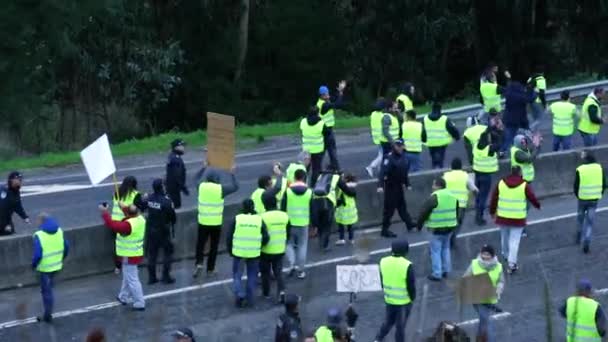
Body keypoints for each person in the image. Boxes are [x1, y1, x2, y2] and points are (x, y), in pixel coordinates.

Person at [489, 166, 540, 274]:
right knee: (514, 241)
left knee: (504, 237)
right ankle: (512, 264)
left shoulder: (501, 183)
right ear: (520, 173)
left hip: (503, 216)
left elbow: (494, 198)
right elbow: (532, 197)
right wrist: (537, 205)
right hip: (518, 218)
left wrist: (492, 212)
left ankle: (505, 254)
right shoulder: (524, 185)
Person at [193, 165, 239, 278]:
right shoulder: (221, 189)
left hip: (203, 221)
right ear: (217, 180)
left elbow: (195, 178)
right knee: (214, 246)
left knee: (200, 244)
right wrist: (232, 174)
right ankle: (210, 269)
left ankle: (199, 263)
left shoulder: (201, 187)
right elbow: (235, 187)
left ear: (207, 179)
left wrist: (203, 168)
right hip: (216, 223)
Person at [100, 203, 146, 311]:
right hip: (135, 253)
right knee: (128, 276)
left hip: (128, 254)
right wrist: (123, 206)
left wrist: (105, 212)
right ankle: (123, 296)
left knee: (132, 279)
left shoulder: (127, 225)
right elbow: (129, 211)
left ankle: (139, 302)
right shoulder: (140, 219)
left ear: (129, 214)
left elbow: (112, 225)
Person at [226, 199, 269, 308]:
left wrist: (230, 250)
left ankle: (240, 295)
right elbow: (266, 237)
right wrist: (259, 245)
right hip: (253, 253)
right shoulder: (259, 220)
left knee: (237, 275)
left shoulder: (237, 219)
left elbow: (229, 236)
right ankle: (250, 298)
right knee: (252, 276)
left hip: (239, 252)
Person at [417, 177, 459, 281]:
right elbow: (457, 211)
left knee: (435, 251)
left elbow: (424, 212)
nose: (432, 187)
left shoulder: (434, 197)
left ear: (438, 186)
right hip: (450, 227)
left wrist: (419, 225)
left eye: (434, 185)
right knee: (446, 248)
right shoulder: (453, 196)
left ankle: (437, 273)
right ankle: (446, 270)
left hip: (436, 229)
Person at [373, 240, 416, 342]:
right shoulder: (407, 265)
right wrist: (412, 297)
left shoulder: (383, 261)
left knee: (388, 322)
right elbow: (411, 285)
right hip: (403, 302)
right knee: (400, 327)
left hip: (389, 299)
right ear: (406, 251)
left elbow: (381, 278)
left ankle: (378, 339)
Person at [462, 244, 504, 342]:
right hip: (477, 298)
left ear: (492, 255)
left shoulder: (498, 267)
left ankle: (480, 338)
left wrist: (499, 289)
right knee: (487, 321)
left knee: (484, 320)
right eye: (483, 254)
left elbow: (501, 281)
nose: (485, 256)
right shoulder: (475, 264)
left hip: (491, 298)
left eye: (487, 254)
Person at [32, 213, 69, 323]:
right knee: (49, 288)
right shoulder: (59, 231)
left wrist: (33, 265)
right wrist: (61, 258)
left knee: (47, 292)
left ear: (41, 222)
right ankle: (47, 311)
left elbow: (38, 254)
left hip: (45, 268)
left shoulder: (39, 235)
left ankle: (47, 316)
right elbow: (66, 246)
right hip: (57, 265)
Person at [377, 139, 416, 238]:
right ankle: (384, 230)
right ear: (394, 147)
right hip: (391, 187)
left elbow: (404, 173)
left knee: (402, 207)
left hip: (399, 186)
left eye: (400, 146)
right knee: (389, 210)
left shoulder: (404, 157)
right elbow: (382, 172)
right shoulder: (389, 158)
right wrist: (380, 186)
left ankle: (409, 224)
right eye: (397, 146)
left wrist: (407, 184)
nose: (399, 148)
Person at [312, 169, 355, 252]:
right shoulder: (336, 177)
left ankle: (320, 242)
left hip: (316, 202)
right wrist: (353, 193)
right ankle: (324, 246)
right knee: (327, 225)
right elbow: (346, 189)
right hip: (327, 203)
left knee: (320, 225)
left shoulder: (320, 176)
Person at [143, 178, 176, 285]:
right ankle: (165, 276)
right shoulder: (166, 201)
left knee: (152, 254)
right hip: (163, 231)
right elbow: (172, 217)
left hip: (151, 230)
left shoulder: (149, 199)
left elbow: (142, 206)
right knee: (168, 253)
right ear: (162, 187)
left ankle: (152, 278)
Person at [574, 150, 606, 254]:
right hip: (594, 199)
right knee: (590, 223)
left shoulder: (580, 169)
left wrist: (578, 195)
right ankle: (587, 239)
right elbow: (604, 183)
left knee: (580, 218)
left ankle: (578, 236)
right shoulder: (599, 168)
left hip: (582, 199)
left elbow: (576, 186)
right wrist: (599, 193)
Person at [282, 169, 312, 279]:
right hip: (304, 223)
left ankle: (291, 264)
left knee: (288, 244)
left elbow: (282, 208)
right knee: (302, 246)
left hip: (290, 223)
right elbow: (312, 209)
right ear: (304, 178)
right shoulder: (309, 191)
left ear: (295, 177)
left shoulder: (288, 191)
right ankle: (301, 270)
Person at [260, 193, 289, 302]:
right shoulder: (284, 215)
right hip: (280, 248)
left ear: (264, 204)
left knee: (265, 273)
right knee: (278, 272)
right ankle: (281, 291)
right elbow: (288, 232)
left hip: (266, 250)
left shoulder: (262, 217)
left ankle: (266, 293)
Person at [111, 176, 143, 274]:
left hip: (115, 222)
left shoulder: (116, 192)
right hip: (126, 223)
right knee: (129, 246)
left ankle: (117, 267)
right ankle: (131, 265)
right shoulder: (135, 194)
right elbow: (138, 208)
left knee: (117, 246)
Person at [443, 158, 478, 248]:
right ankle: (452, 238)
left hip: (447, 204)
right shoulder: (465, 176)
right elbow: (474, 189)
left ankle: (447, 238)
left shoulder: (446, 176)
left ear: (451, 166)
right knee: (458, 223)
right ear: (461, 167)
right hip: (460, 205)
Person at [317, 81, 347, 171]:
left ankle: (330, 167)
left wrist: (339, 91)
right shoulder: (324, 105)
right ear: (322, 95)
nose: (328, 95)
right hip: (326, 131)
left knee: (326, 151)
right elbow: (337, 104)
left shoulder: (323, 101)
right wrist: (341, 92)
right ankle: (336, 169)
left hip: (326, 131)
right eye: (326, 94)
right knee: (330, 152)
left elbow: (334, 99)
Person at [501, 77, 536, 153]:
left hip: (509, 120)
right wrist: (531, 89)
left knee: (508, 138)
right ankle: (532, 147)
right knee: (528, 134)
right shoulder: (520, 96)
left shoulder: (509, 95)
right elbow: (531, 99)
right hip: (520, 120)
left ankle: (503, 152)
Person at [473, 128, 500, 226]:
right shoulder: (489, 149)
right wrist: (495, 133)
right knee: (483, 198)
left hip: (477, 174)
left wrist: (488, 130)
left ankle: (477, 214)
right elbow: (499, 143)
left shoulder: (476, 146)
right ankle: (479, 217)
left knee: (478, 196)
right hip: (486, 176)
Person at [422, 102, 460, 169]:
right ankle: (438, 173)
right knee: (440, 161)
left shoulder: (425, 119)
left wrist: (424, 140)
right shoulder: (444, 119)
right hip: (442, 143)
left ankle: (434, 172)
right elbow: (452, 129)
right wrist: (457, 137)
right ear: (440, 109)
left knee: (434, 160)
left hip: (430, 143)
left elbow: (422, 131)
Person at [300, 105, 330, 187]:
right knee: (316, 169)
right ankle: (313, 186)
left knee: (305, 169)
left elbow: (302, 130)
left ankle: (302, 184)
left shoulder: (303, 122)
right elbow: (327, 133)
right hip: (318, 150)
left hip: (306, 150)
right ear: (317, 113)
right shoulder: (321, 123)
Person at [0, 171, 29, 236]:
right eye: (18, 179)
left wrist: (24, 217)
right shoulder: (4, 192)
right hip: (2, 221)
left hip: (7, 220)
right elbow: (1, 210)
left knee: (11, 235)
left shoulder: (16, 192)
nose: (20, 181)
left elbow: (17, 205)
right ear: (11, 180)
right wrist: (5, 225)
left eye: (21, 179)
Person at [366, 98, 389, 178]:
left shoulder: (373, 114)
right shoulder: (383, 116)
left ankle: (381, 173)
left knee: (381, 154)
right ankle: (371, 166)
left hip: (375, 137)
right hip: (381, 138)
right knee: (382, 156)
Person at [165, 138, 189, 209]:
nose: (184, 148)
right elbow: (177, 176)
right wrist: (183, 188)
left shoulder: (171, 156)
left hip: (170, 187)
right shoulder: (176, 159)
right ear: (176, 147)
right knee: (175, 207)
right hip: (174, 189)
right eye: (182, 146)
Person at [335, 173, 358, 245]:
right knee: (350, 226)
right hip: (351, 209)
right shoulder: (353, 188)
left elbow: (339, 199)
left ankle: (342, 239)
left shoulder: (342, 189)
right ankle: (351, 239)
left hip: (343, 209)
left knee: (341, 225)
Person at [527, 67, 547, 132]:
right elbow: (542, 93)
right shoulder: (541, 79)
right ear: (542, 73)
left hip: (530, 100)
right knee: (540, 118)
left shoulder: (530, 78)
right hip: (537, 101)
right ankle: (529, 129)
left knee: (535, 118)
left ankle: (536, 134)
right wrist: (544, 104)